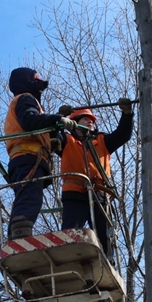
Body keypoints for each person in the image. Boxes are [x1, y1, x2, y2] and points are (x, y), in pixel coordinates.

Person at [4, 67, 77, 240]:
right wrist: (57, 119)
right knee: (30, 198)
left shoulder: (25, 102)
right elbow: (30, 121)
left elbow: (36, 127)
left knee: (26, 197)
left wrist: (54, 135)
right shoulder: (25, 99)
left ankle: (16, 234)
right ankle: (20, 235)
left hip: (24, 159)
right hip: (28, 158)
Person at [57, 99, 134, 257]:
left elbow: (123, 134)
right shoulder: (66, 140)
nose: (91, 123)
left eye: (92, 121)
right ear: (75, 123)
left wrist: (127, 114)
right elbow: (50, 134)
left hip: (100, 194)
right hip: (75, 192)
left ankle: (107, 259)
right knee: (70, 232)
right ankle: (69, 259)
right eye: (86, 119)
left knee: (104, 234)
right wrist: (59, 117)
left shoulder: (102, 141)